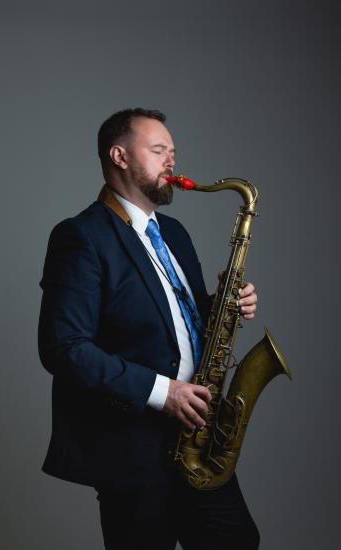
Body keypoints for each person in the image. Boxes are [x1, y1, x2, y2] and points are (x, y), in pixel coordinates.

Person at [38, 108, 260, 549]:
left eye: (172, 152)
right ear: (119, 156)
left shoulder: (173, 233)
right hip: (132, 448)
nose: (171, 162)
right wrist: (165, 392)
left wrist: (225, 307)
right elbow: (63, 347)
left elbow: (172, 319)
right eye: (158, 151)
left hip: (199, 438)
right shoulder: (80, 236)